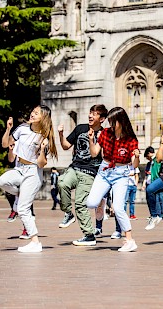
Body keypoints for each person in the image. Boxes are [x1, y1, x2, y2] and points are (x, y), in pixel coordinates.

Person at [0, 105, 57, 253]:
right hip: (19, 169)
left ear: (43, 118)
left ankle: (35, 242)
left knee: (23, 209)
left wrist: (43, 149)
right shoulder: (22, 128)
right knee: (2, 181)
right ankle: (19, 193)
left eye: (36, 113)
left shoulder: (45, 137)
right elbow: (6, 144)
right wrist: (8, 129)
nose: (32, 114)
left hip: (33, 172)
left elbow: (42, 163)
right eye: (32, 112)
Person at [86, 107, 140, 252]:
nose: (110, 124)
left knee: (118, 208)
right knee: (91, 203)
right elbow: (94, 153)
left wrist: (137, 156)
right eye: (109, 121)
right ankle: (102, 201)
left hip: (121, 174)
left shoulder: (130, 139)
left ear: (121, 121)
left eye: (113, 121)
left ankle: (129, 240)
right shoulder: (105, 133)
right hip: (104, 171)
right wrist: (91, 140)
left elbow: (134, 165)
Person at [57, 104, 108, 246]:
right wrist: (61, 134)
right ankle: (68, 213)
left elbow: (99, 155)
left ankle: (89, 235)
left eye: (95, 113)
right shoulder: (80, 128)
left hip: (90, 173)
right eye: (90, 112)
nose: (91, 115)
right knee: (62, 183)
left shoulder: (104, 134)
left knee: (80, 203)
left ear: (102, 119)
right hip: (75, 167)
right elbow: (66, 146)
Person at [142, 146, 163, 219]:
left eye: (147, 156)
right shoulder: (149, 163)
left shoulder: (156, 160)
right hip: (149, 182)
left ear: (149, 153)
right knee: (151, 199)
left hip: (156, 181)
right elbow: (146, 174)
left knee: (158, 199)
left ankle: (160, 214)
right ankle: (154, 214)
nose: (147, 158)